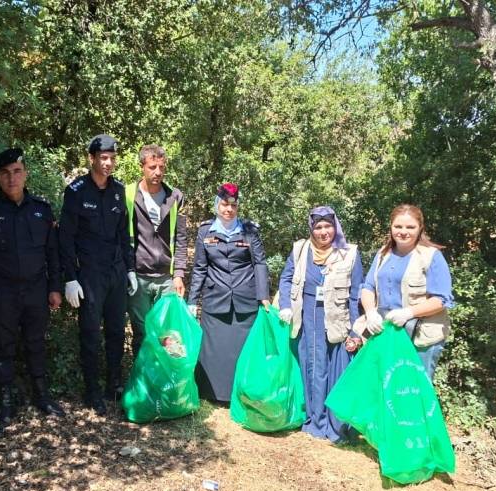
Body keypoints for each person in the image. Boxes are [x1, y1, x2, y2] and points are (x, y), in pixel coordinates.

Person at [0, 148, 65, 430]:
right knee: (2, 347)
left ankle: (42, 396)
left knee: (36, 344)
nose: (11, 178)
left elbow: (52, 252)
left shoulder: (41, 209)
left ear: (25, 174)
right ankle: (5, 402)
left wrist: (55, 287)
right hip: (0, 291)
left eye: (17, 172)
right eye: (5, 173)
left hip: (36, 290)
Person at [59, 134, 135, 415]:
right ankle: (92, 390)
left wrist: (130, 269)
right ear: (91, 158)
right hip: (90, 274)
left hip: (115, 271)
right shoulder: (76, 191)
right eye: (103, 158)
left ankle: (113, 384)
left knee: (116, 330)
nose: (108, 163)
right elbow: (66, 238)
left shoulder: (118, 190)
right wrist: (70, 277)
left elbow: (123, 233)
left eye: (112, 158)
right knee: (91, 333)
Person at [277, 206, 363, 442]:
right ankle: (314, 420)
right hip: (307, 317)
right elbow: (286, 278)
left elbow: (356, 294)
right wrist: (285, 305)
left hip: (337, 321)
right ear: (311, 229)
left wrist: (356, 331)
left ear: (336, 227)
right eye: (318, 227)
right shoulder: (300, 249)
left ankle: (334, 424)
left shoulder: (349, 253)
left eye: (328, 226)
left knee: (334, 369)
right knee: (312, 367)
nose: (324, 232)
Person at [187, 183, 270, 402]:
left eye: (233, 205)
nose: (229, 209)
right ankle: (212, 393)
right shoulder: (205, 231)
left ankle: (241, 392)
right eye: (224, 204)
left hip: (245, 299)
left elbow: (260, 263)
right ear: (217, 205)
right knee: (215, 350)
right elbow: (200, 267)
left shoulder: (249, 231)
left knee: (242, 348)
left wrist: (263, 295)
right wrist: (192, 301)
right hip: (216, 299)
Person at [360, 204, 455, 380]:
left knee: (413, 389)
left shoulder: (431, 256)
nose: (403, 232)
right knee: (385, 386)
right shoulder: (383, 254)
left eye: (410, 227)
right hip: (386, 333)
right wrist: (370, 313)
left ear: (420, 228)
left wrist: (408, 313)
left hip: (419, 339)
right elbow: (368, 287)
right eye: (398, 226)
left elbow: (441, 300)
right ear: (391, 227)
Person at [125, 144, 188, 357]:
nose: (158, 172)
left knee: (168, 334)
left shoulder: (175, 197)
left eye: (162, 167)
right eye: (152, 167)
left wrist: (178, 274)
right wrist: (127, 271)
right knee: (141, 333)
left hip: (166, 277)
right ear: (142, 167)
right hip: (138, 276)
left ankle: (166, 376)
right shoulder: (128, 195)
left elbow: (181, 238)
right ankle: (141, 375)